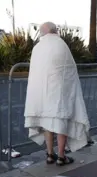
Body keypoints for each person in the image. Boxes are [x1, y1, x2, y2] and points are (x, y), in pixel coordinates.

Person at [24, 22, 90, 166]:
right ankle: (61, 156)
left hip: (42, 95)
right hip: (59, 94)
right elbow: (70, 71)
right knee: (61, 122)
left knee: (47, 122)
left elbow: (35, 73)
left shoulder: (37, 48)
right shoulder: (61, 45)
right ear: (56, 30)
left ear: (42, 33)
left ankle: (49, 154)